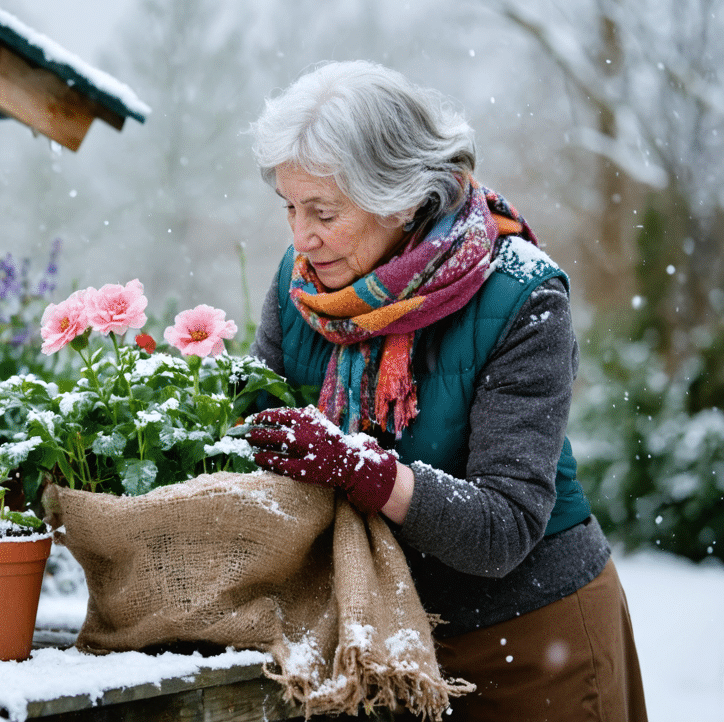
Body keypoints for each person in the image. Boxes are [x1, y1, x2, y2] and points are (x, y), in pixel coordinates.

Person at [243, 60, 647, 722]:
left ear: (401, 195)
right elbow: (259, 434)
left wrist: (360, 469)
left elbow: (504, 526)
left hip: (531, 639)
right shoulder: (304, 283)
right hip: (385, 644)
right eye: (290, 207)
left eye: (323, 211)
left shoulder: (522, 295)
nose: (300, 235)